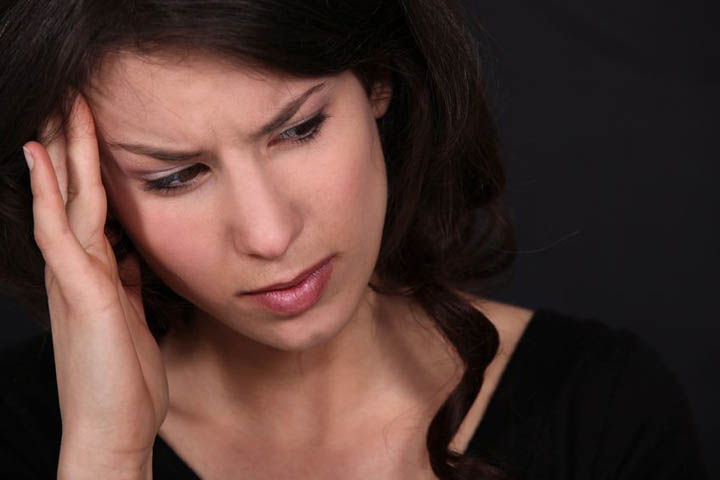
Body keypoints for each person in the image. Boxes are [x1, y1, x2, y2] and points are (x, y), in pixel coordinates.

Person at [0, 1, 706, 479]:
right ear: (83, 188)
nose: (271, 235)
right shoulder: (33, 436)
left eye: (300, 129)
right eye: (178, 175)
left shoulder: (599, 410)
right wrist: (110, 457)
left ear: (377, 81)